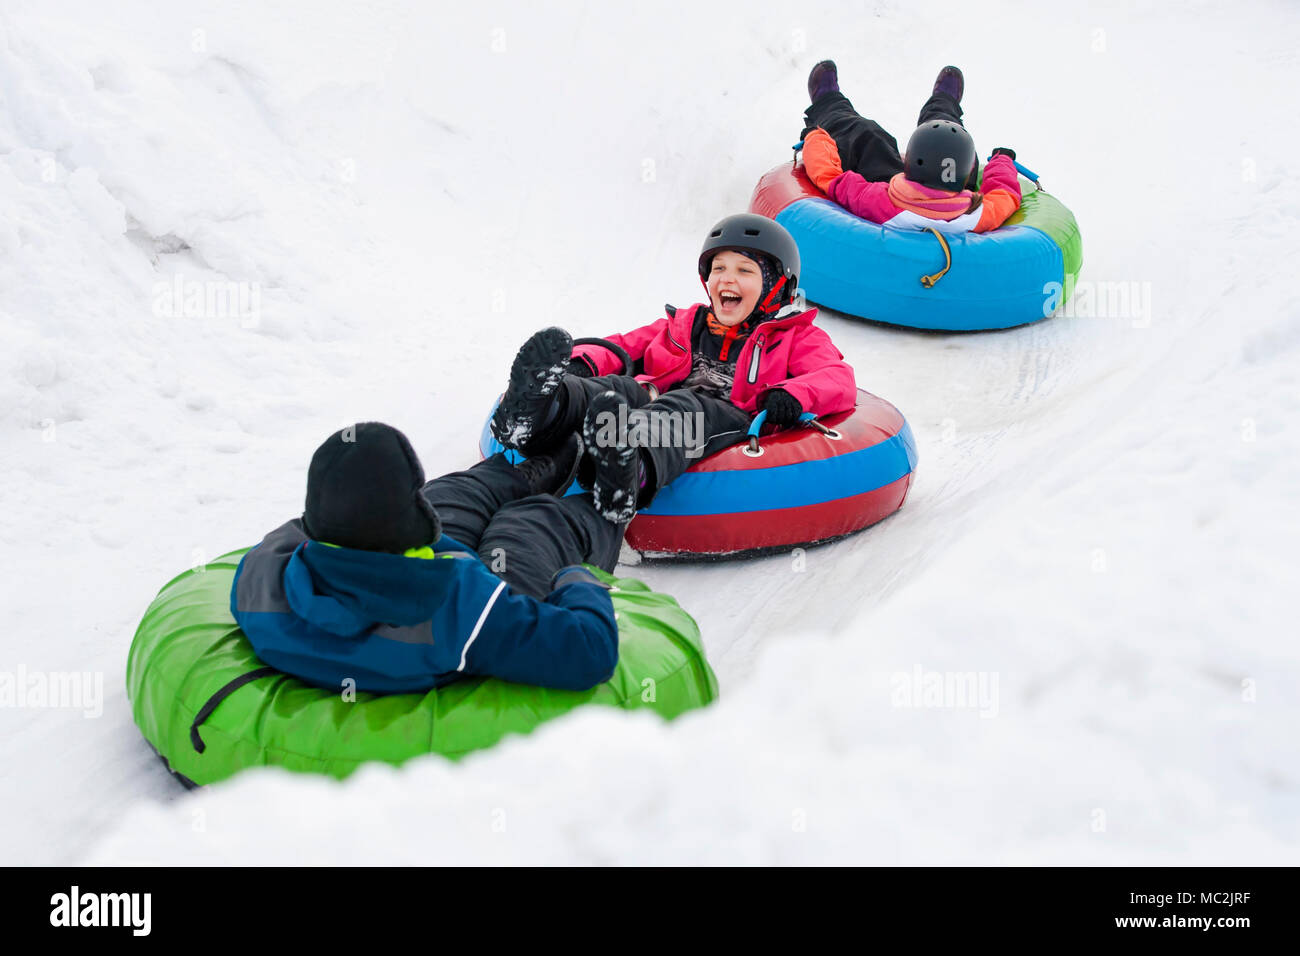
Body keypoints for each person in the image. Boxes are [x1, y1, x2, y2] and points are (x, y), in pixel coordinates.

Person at [489, 214, 856, 523]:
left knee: (683, 407)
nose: (728, 279)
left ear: (777, 289)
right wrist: (581, 364)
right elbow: (623, 346)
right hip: (649, 400)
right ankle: (537, 414)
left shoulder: (794, 336)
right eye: (719, 268)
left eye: (745, 271)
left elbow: (836, 377)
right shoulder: (683, 324)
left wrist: (791, 394)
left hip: (722, 416)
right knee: (615, 389)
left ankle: (627, 472)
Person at [229, 421, 623, 694]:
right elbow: (591, 650)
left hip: (384, 566)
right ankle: (609, 500)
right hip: (461, 597)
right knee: (530, 525)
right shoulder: (458, 610)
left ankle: (529, 469)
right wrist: (575, 579)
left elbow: (312, 527)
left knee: (449, 496)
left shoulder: (260, 575)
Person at [799, 61, 1022, 234]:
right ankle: (944, 101)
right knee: (950, 134)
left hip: (895, 197)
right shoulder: (978, 215)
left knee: (866, 134)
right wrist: (1002, 160)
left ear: (908, 164)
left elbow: (830, 177)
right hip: (957, 208)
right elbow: (1005, 194)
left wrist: (816, 137)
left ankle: (828, 102)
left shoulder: (877, 201)